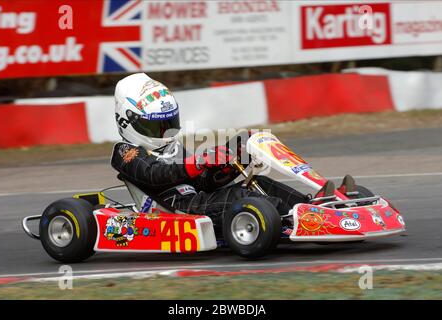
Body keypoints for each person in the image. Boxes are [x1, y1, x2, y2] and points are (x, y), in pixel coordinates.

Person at [111, 73, 311, 234]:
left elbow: (201, 182)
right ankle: (299, 220)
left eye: (168, 123)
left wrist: (229, 164)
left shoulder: (172, 146)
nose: (165, 131)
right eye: (156, 125)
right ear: (126, 122)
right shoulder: (125, 151)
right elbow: (155, 174)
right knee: (240, 195)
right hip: (176, 209)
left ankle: (313, 206)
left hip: (197, 199)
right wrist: (198, 162)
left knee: (258, 182)